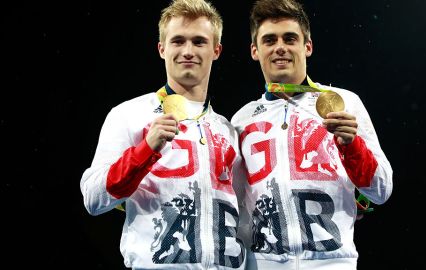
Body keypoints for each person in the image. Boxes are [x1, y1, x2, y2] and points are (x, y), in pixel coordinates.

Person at [80, 0, 246, 269]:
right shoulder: (129, 115)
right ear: (162, 49)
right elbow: (94, 198)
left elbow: (245, 216)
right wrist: (145, 150)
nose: (188, 51)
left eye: (199, 41)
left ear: (216, 50)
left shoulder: (227, 129)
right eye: (178, 41)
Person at [230, 0, 393, 269]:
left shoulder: (344, 102)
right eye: (269, 40)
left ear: (308, 46)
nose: (280, 46)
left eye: (290, 38)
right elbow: (237, 207)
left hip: (333, 263)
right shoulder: (242, 119)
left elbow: (381, 190)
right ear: (254, 51)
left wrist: (353, 147)